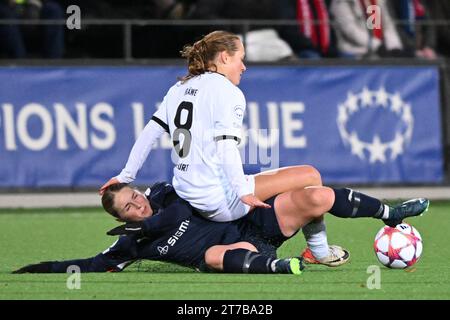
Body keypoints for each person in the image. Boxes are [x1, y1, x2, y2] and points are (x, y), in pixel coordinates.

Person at [99, 30, 305, 223]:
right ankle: (318, 248)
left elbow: (149, 134)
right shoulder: (228, 91)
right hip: (218, 200)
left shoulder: (178, 87)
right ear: (225, 57)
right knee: (309, 175)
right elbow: (226, 147)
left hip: (186, 192)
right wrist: (243, 192)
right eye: (240, 59)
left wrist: (125, 176)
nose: (243, 67)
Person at [13, 179, 429, 274]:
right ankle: (279, 267)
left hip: (253, 222)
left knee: (315, 194)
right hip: (235, 253)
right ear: (120, 220)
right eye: (128, 208)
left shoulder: (166, 192)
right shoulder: (131, 245)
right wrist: (33, 271)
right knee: (211, 257)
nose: (138, 204)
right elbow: (86, 263)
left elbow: (185, 203)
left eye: (134, 195)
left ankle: (389, 214)